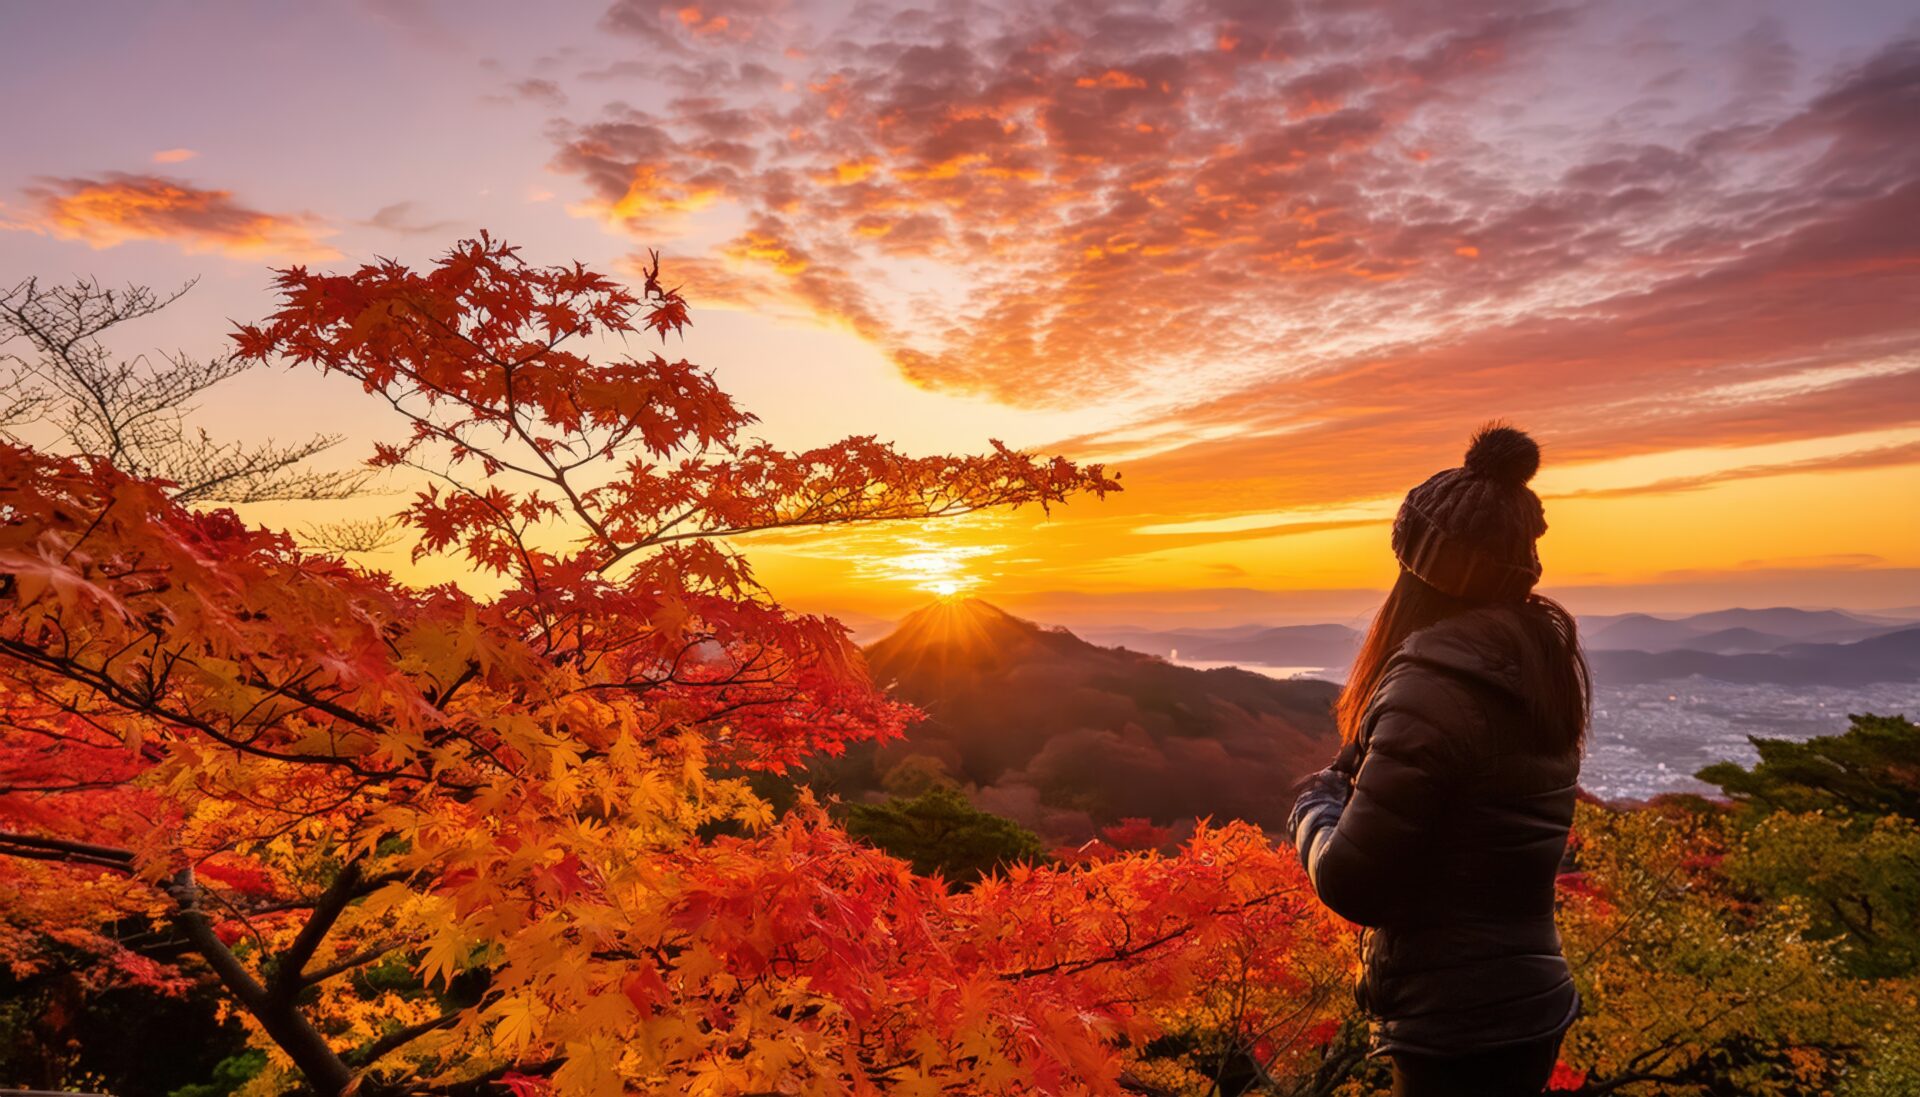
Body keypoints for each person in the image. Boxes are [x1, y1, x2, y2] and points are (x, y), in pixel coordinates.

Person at [1287, 423, 1589, 1097]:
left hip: (1456, 1024)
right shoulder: (1539, 672)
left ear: (1422, 571)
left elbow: (1351, 883)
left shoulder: (1430, 689)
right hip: (1532, 1003)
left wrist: (1313, 805)